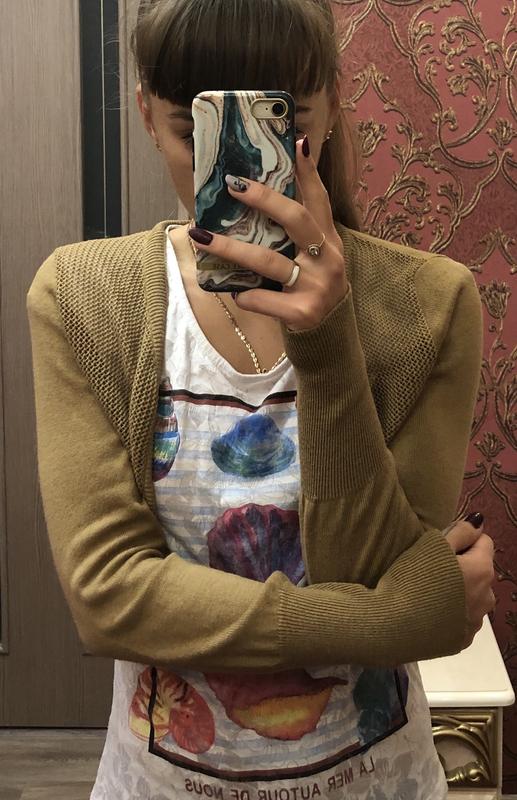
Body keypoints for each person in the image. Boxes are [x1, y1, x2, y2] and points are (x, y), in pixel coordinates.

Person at [27, 0, 495, 798]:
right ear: (145, 114)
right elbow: (109, 598)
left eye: (280, 126)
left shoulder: (430, 304)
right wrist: (401, 618)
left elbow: (370, 562)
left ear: (332, 104)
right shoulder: (83, 297)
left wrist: (327, 345)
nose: (238, 175)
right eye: (197, 131)